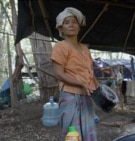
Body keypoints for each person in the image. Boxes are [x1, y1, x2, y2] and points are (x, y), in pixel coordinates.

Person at [50, 7, 99, 141]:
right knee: (72, 133)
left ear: (79, 26)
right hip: (70, 96)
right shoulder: (61, 47)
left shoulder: (84, 48)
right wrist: (81, 83)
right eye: (66, 22)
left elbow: (90, 71)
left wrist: (99, 88)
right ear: (61, 28)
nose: (71, 25)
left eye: (74, 22)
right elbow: (59, 74)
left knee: (88, 131)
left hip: (87, 94)